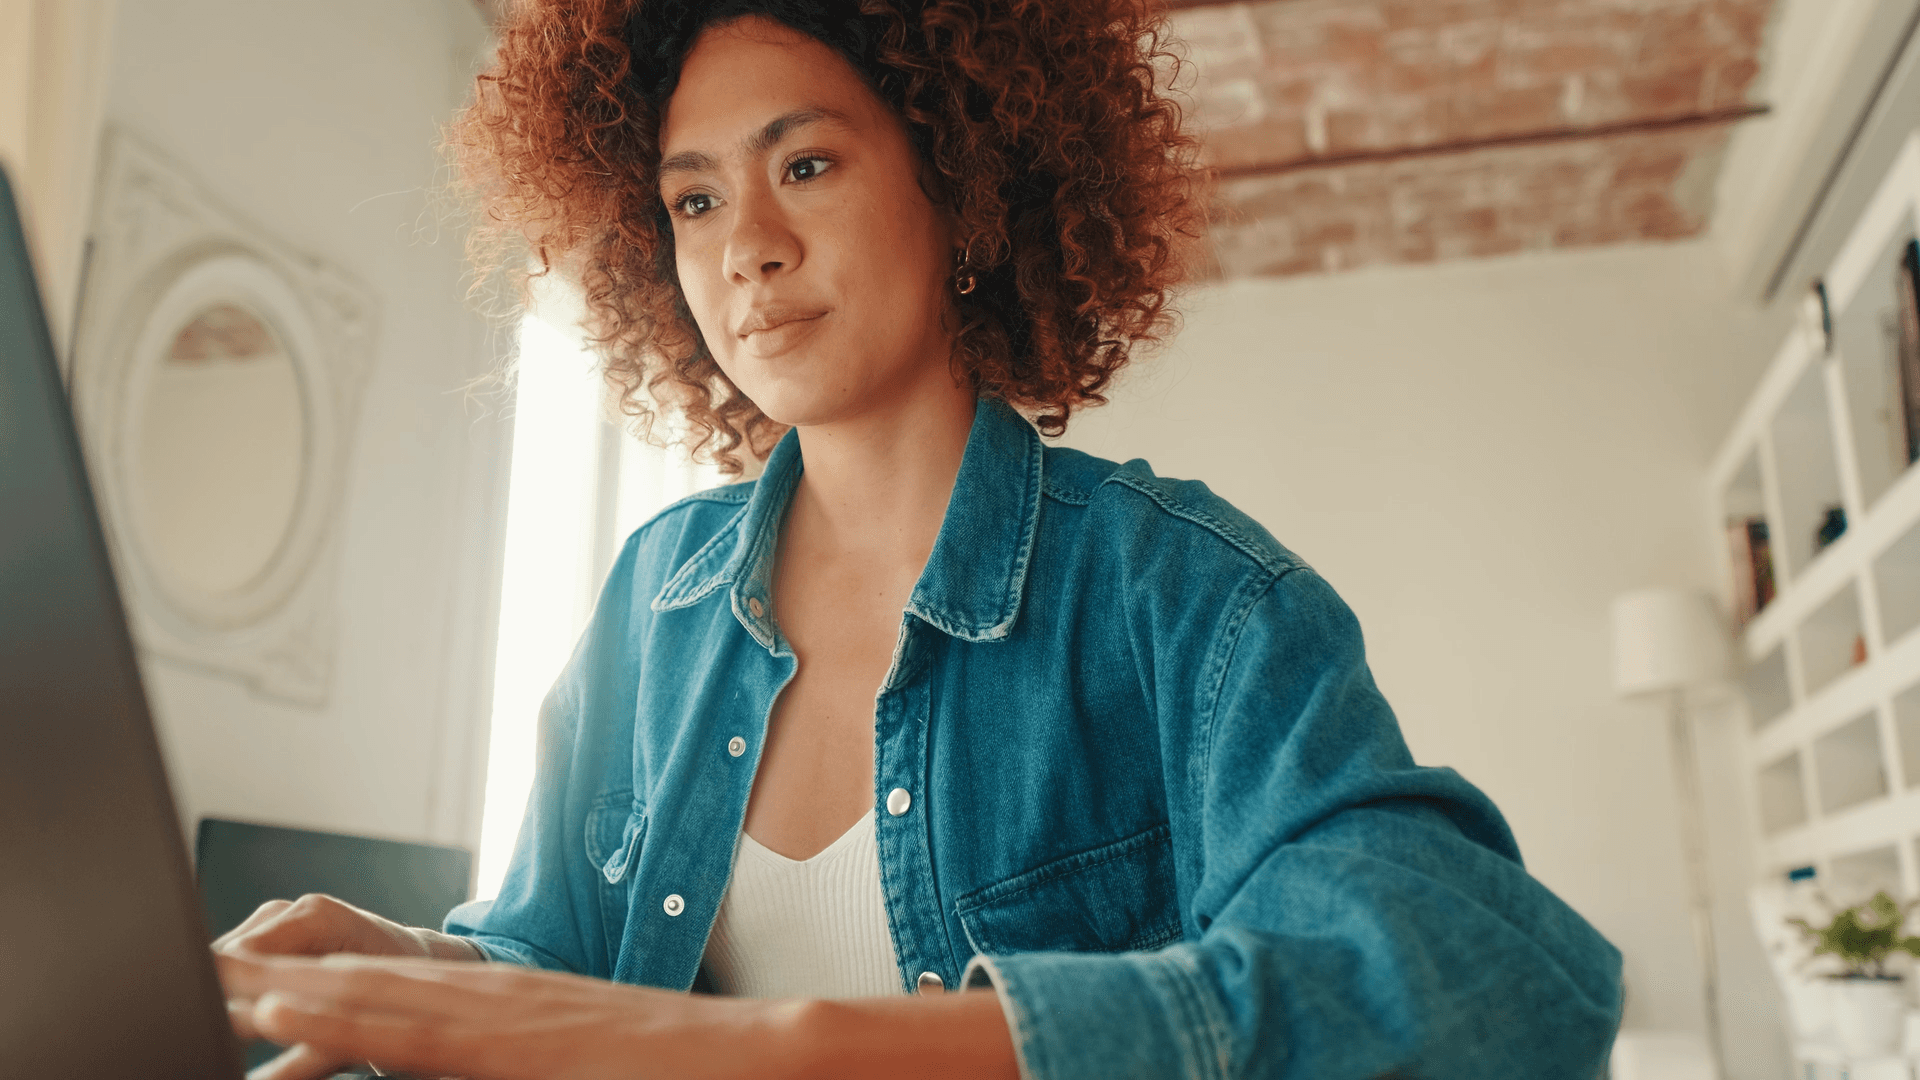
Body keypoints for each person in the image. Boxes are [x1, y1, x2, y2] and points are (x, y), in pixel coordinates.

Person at [214, 1, 1625, 1077]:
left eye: (807, 164)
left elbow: (1490, 987)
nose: (744, 246)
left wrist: (790, 1047)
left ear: (960, 186)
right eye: (693, 199)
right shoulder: (658, 595)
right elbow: (551, 961)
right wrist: (406, 972)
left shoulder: (1189, 601)